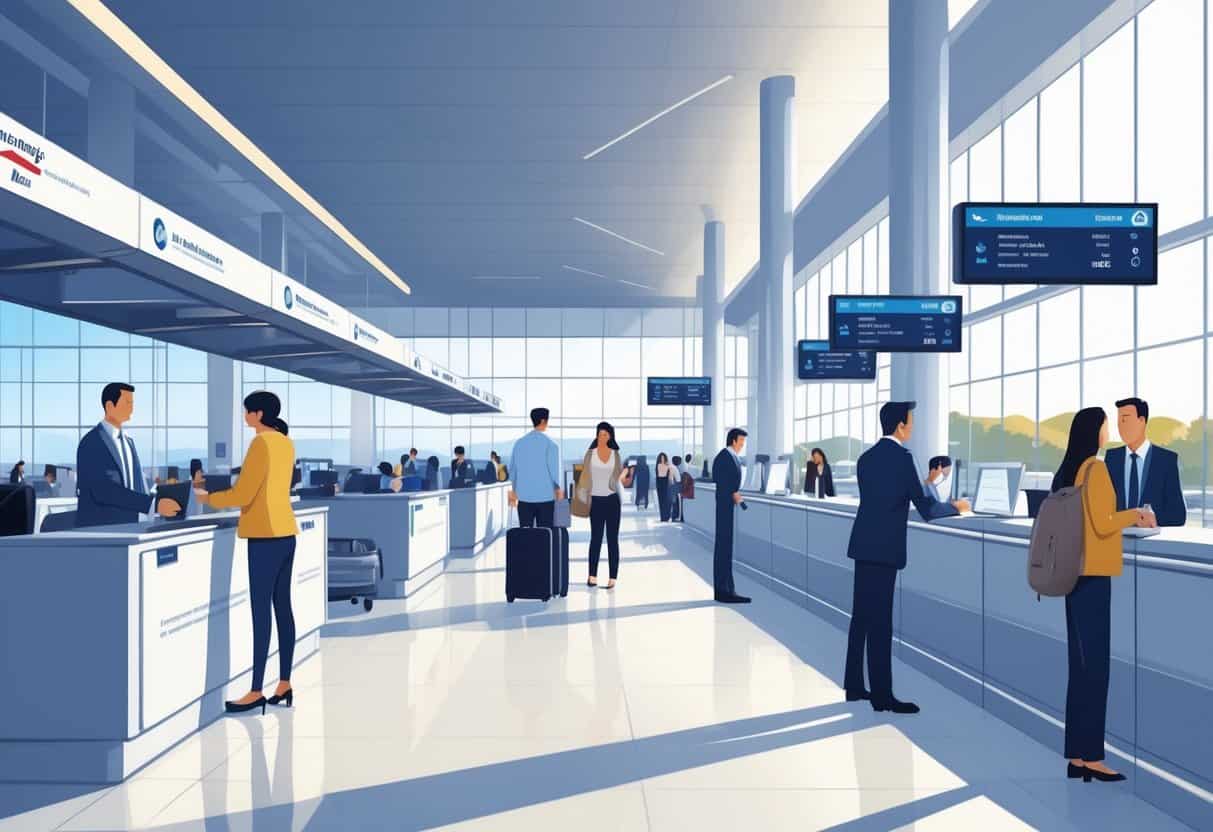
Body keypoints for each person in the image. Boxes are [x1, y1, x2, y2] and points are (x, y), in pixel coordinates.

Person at [844, 402, 969, 714]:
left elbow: (887, 495)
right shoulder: (902, 458)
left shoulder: (866, 458)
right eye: (910, 422)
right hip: (886, 549)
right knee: (881, 621)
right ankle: (882, 696)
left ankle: (855, 686)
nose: (912, 427)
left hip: (863, 544)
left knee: (861, 616)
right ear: (900, 426)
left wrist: (924, 483)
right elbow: (926, 510)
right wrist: (957, 507)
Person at [1052, 407, 1152, 782]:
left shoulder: (1068, 470)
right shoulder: (1094, 469)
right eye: (1106, 425)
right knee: (1096, 669)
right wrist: (1136, 515)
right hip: (1094, 576)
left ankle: (1076, 756)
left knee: (1078, 669)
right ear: (1095, 431)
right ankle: (1093, 757)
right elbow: (1103, 521)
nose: (1110, 430)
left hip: (1072, 575)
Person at [195, 391, 300, 716]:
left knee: (261, 612)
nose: (244, 417)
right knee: (283, 607)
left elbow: (244, 493)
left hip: (264, 534)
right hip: (286, 531)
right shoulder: (285, 442)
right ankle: (283, 683)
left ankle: (256, 690)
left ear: (257, 414)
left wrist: (207, 497)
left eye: (247, 412)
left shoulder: (261, 444)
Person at [76, 383, 181, 527]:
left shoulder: (128, 442)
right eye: (127, 403)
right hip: (100, 530)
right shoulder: (92, 442)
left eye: (132, 403)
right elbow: (104, 490)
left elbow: (137, 484)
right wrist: (153, 505)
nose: (132, 408)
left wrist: (157, 500)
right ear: (109, 406)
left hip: (129, 526)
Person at [1105, 397, 1186, 526]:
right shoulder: (1112, 458)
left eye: (1125, 419)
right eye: (1119, 421)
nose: (1120, 426)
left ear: (1141, 421)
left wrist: (1152, 518)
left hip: (1152, 543)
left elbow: (1178, 515)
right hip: (1116, 541)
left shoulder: (1166, 460)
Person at [576, 421, 633, 589]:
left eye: (606, 434)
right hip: (595, 500)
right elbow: (583, 476)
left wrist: (623, 474)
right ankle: (592, 576)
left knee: (612, 539)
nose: (603, 437)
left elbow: (616, 479)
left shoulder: (615, 455)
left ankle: (612, 577)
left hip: (612, 500)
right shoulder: (589, 454)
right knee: (596, 538)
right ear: (597, 435)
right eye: (600, 434)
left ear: (611, 436)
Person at [711, 429, 751, 604]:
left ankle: (728, 589)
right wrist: (734, 495)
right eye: (741, 441)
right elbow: (722, 481)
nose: (742, 445)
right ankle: (723, 591)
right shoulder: (723, 458)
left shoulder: (732, 456)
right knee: (723, 546)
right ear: (733, 441)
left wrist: (735, 494)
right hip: (724, 506)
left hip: (728, 506)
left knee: (726, 546)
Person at [509, 407, 563, 527]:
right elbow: (555, 473)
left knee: (525, 533)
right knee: (545, 534)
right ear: (543, 421)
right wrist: (559, 492)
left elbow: (512, 471)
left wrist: (513, 492)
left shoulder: (519, 444)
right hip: (545, 497)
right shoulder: (551, 444)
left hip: (524, 498)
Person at [655, 453, 676, 521]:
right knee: (661, 500)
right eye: (661, 458)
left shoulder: (668, 466)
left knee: (667, 500)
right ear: (659, 458)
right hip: (659, 482)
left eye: (663, 458)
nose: (662, 459)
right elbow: (657, 474)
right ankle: (662, 517)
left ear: (665, 458)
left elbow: (670, 476)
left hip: (666, 482)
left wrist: (672, 484)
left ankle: (666, 516)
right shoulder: (658, 465)